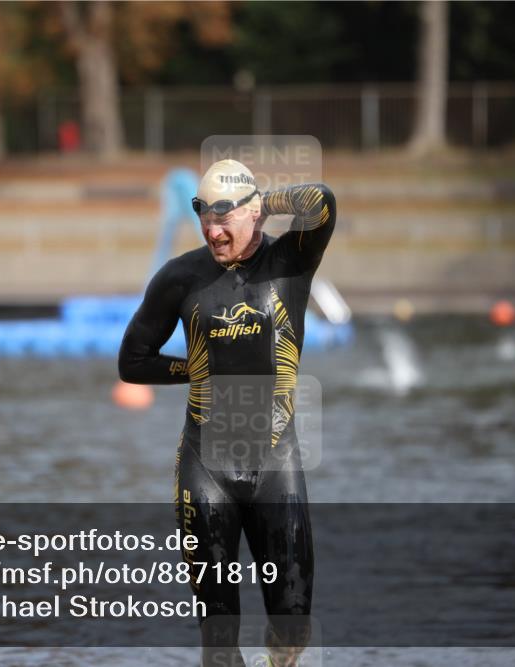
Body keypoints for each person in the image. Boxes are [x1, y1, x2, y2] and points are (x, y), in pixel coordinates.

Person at [118, 159, 336, 666]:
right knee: (219, 642)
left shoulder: (291, 262)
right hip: (205, 470)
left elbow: (322, 202)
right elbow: (132, 362)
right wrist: (193, 372)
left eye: (225, 218)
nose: (214, 231)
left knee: (293, 624)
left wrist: (267, 199)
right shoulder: (180, 278)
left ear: (253, 213)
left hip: (275, 465)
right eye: (203, 218)